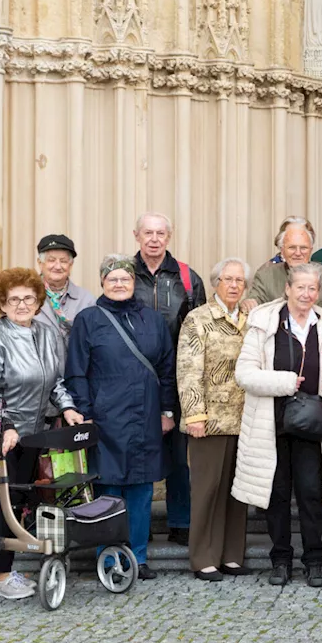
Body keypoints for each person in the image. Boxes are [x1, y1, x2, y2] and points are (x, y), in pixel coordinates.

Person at [0, 268, 84, 599]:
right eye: (14, 299)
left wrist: (66, 408)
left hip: (35, 433)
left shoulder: (47, 335)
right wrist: (4, 426)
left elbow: (56, 382)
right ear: (2, 304)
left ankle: (6, 567)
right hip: (0, 434)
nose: (22, 305)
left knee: (23, 500)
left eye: (29, 298)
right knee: (4, 503)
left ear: (38, 302)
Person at [233, 264, 322, 587]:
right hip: (273, 426)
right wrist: (286, 382)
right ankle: (280, 559)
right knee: (277, 496)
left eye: (313, 289)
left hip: (313, 427)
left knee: (313, 495)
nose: (307, 294)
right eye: (301, 288)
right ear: (287, 289)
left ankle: (315, 560)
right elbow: (244, 374)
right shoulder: (264, 322)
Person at [66, 255, 177, 580]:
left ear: (133, 282)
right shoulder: (88, 319)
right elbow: (77, 372)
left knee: (142, 491)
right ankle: (109, 559)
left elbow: (167, 369)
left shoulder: (152, 320)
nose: (119, 284)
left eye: (124, 279)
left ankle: (137, 557)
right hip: (105, 419)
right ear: (102, 282)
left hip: (145, 418)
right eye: (112, 279)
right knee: (109, 491)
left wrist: (167, 410)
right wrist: (84, 413)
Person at [131, 212, 206, 547]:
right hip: (133, 381)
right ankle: (139, 524)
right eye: (148, 232)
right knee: (138, 455)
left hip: (178, 379)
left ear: (169, 236)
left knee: (179, 457)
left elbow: (201, 331)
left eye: (161, 233)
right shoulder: (124, 274)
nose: (154, 239)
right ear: (137, 236)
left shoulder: (188, 278)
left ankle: (181, 522)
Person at [176, 257, 252, 582]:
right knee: (207, 489)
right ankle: (203, 556)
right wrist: (194, 414)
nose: (233, 285)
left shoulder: (251, 319)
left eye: (239, 281)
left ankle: (232, 555)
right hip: (209, 420)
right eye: (227, 279)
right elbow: (188, 369)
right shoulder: (199, 319)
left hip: (246, 420)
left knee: (237, 492)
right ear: (215, 282)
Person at [244, 216, 322, 314]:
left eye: (303, 248)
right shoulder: (265, 276)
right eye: (292, 247)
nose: (298, 253)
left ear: (311, 249)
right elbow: (252, 305)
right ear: (282, 250)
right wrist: (248, 304)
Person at [35, 234, 95, 337]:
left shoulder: (87, 300)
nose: (58, 266)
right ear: (40, 263)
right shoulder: (27, 296)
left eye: (63, 261)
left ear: (70, 265)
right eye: (51, 260)